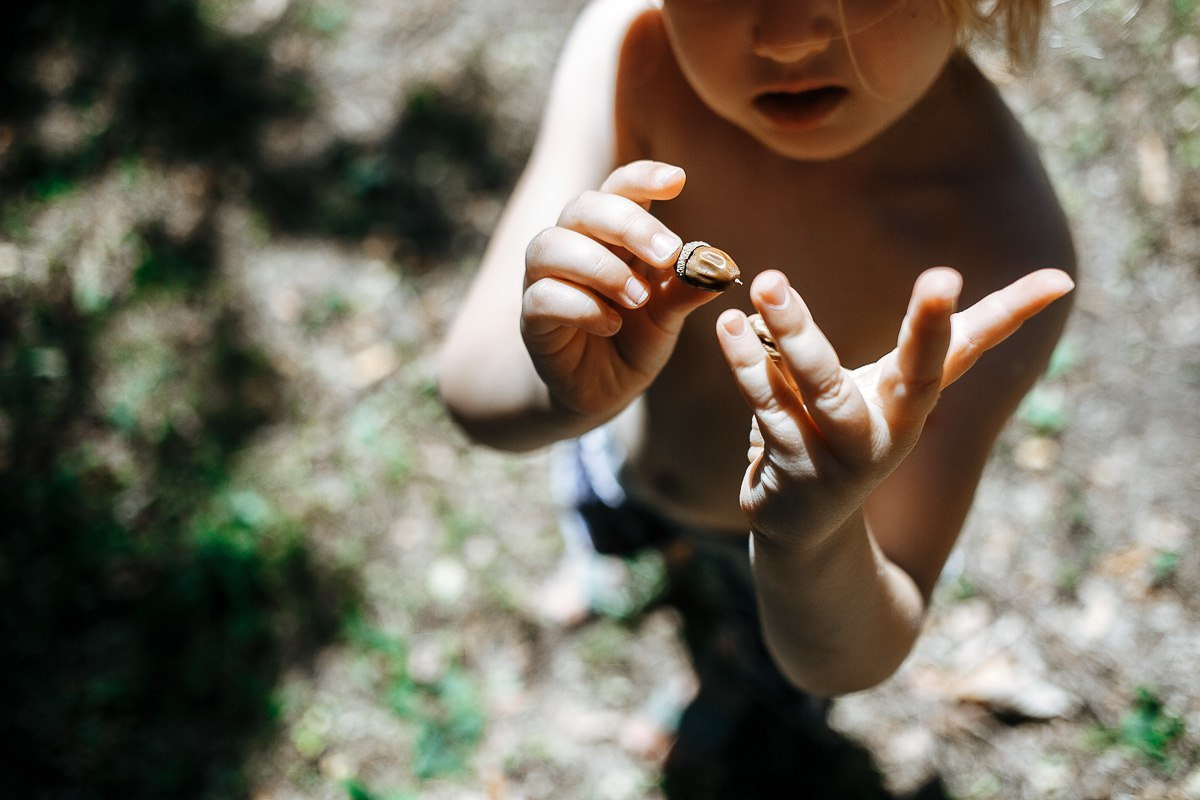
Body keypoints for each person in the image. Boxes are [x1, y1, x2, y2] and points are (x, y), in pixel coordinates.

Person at [438, 0, 1076, 794]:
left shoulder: (998, 245)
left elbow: (858, 650)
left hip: (773, 565)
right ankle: (619, 565)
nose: (787, 37)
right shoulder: (630, 54)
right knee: (608, 516)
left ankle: (717, 689)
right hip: (618, 444)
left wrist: (810, 538)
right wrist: (565, 394)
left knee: (754, 652)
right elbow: (469, 393)